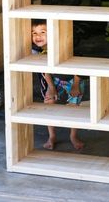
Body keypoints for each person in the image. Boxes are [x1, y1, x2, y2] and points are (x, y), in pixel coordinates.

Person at [31, 19, 84, 150]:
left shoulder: (64, 45)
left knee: (73, 107)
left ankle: (73, 136)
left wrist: (76, 85)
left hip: (73, 78)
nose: (38, 36)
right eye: (34, 33)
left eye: (43, 32)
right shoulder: (37, 51)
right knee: (48, 103)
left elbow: (80, 65)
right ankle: (52, 136)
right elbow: (45, 70)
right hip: (53, 79)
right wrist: (51, 87)